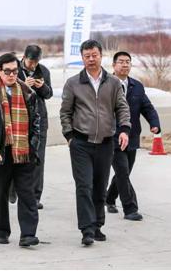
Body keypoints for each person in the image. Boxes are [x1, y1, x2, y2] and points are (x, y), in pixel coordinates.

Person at [60, 39, 131, 246]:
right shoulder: (73, 83)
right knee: (84, 186)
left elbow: (122, 108)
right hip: (80, 143)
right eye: (87, 56)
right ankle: (87, 229)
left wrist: (124, 129)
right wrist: (69, 136)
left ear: (101, 56)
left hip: (106, 143)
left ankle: (98, 225)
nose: (91, 59)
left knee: (99, 188)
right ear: (82, 58)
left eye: (95, 55)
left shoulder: (113, 82)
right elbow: (65, 112)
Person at [0, 52, 41, 247]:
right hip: (1, 152)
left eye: (15, 71)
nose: (12, 75)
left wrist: (32, 145)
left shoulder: (28, 92)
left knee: (27, 194)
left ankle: (28, 234)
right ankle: (2, 231)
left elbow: (37, 122)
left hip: (23, 153)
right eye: (8, 71)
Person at [105, 51, 161, 221]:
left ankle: (109, 198)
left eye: (128, 62)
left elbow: (147, 106)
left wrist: (154, 123)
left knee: (125, 172)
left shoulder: (136, 86)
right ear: (113, 65)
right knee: (122, 172)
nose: (125, 64)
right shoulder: (105, 84)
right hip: (113, 136)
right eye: (121, 61)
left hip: (132, 136)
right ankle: (130, 208)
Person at [17, 45, 53, 209]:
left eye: (36, 61)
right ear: (24, 57)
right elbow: (7, 92)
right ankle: (13, 190)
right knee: (17, 158)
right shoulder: (14, 69)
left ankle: (35, 196)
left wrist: (41, 87)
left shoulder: (44, 71)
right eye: (31, 61)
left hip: (39, 121)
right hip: (18, 119)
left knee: (39, 158)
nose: (33, 65)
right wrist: (24, 85)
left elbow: (49, 94)